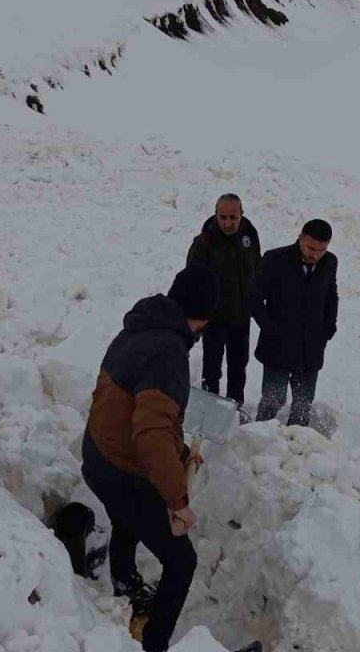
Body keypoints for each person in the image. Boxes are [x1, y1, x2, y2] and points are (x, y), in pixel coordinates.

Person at [81, 264, 219, 651]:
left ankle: (125, 584)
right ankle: (155, 642)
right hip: (119, 470)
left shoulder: (138, 326)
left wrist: (178, 453)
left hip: (98, 453)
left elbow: (141, 415)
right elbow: (151, 432)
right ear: (204, 319)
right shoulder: (169, 353)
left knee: (128, 516)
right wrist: (178, 501)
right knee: (182, 563)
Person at [249, 219, 338, 427]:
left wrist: (329, 326)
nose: (315, 254)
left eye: (321, 249)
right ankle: (260, 439)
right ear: (300, 238)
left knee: (303, 404)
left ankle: (297, 446)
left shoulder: (330, 263)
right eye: (310, 247)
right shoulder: (275, 259)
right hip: (279, 344)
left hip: (312, 345)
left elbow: (331, 296)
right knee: (273, 400)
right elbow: (253, 297)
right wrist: (269, 327)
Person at [186, 194, 262, 406]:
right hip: (214, 319)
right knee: (211, 368)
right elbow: (191, 282)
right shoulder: (203, 243)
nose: (228, 223)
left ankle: (234, 409)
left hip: (241, 316)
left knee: (239, 367)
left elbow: (257, 268)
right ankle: (208, 411)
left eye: (233, 217)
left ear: (242, 214)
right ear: (215, 214)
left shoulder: (250, 234)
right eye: (223, 217)